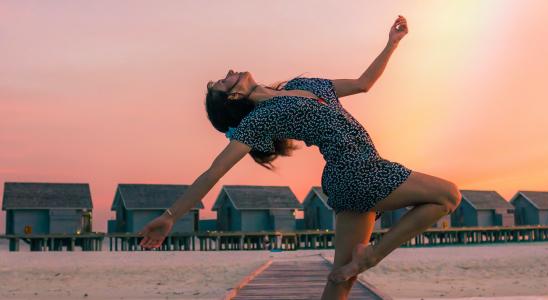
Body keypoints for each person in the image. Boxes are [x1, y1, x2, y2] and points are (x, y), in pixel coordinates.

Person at [138, 15, 462, 300]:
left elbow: (364, 84)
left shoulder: (303, 84)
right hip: (359, 170)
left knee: (342, 280)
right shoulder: (260, 119)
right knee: (448, 195)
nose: (229, 71)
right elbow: (214, 172)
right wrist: (170, 215)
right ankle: (371, 256)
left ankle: (361, 261)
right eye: (225, 81)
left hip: (346, 179)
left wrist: (391, 44)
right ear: (234, 96)